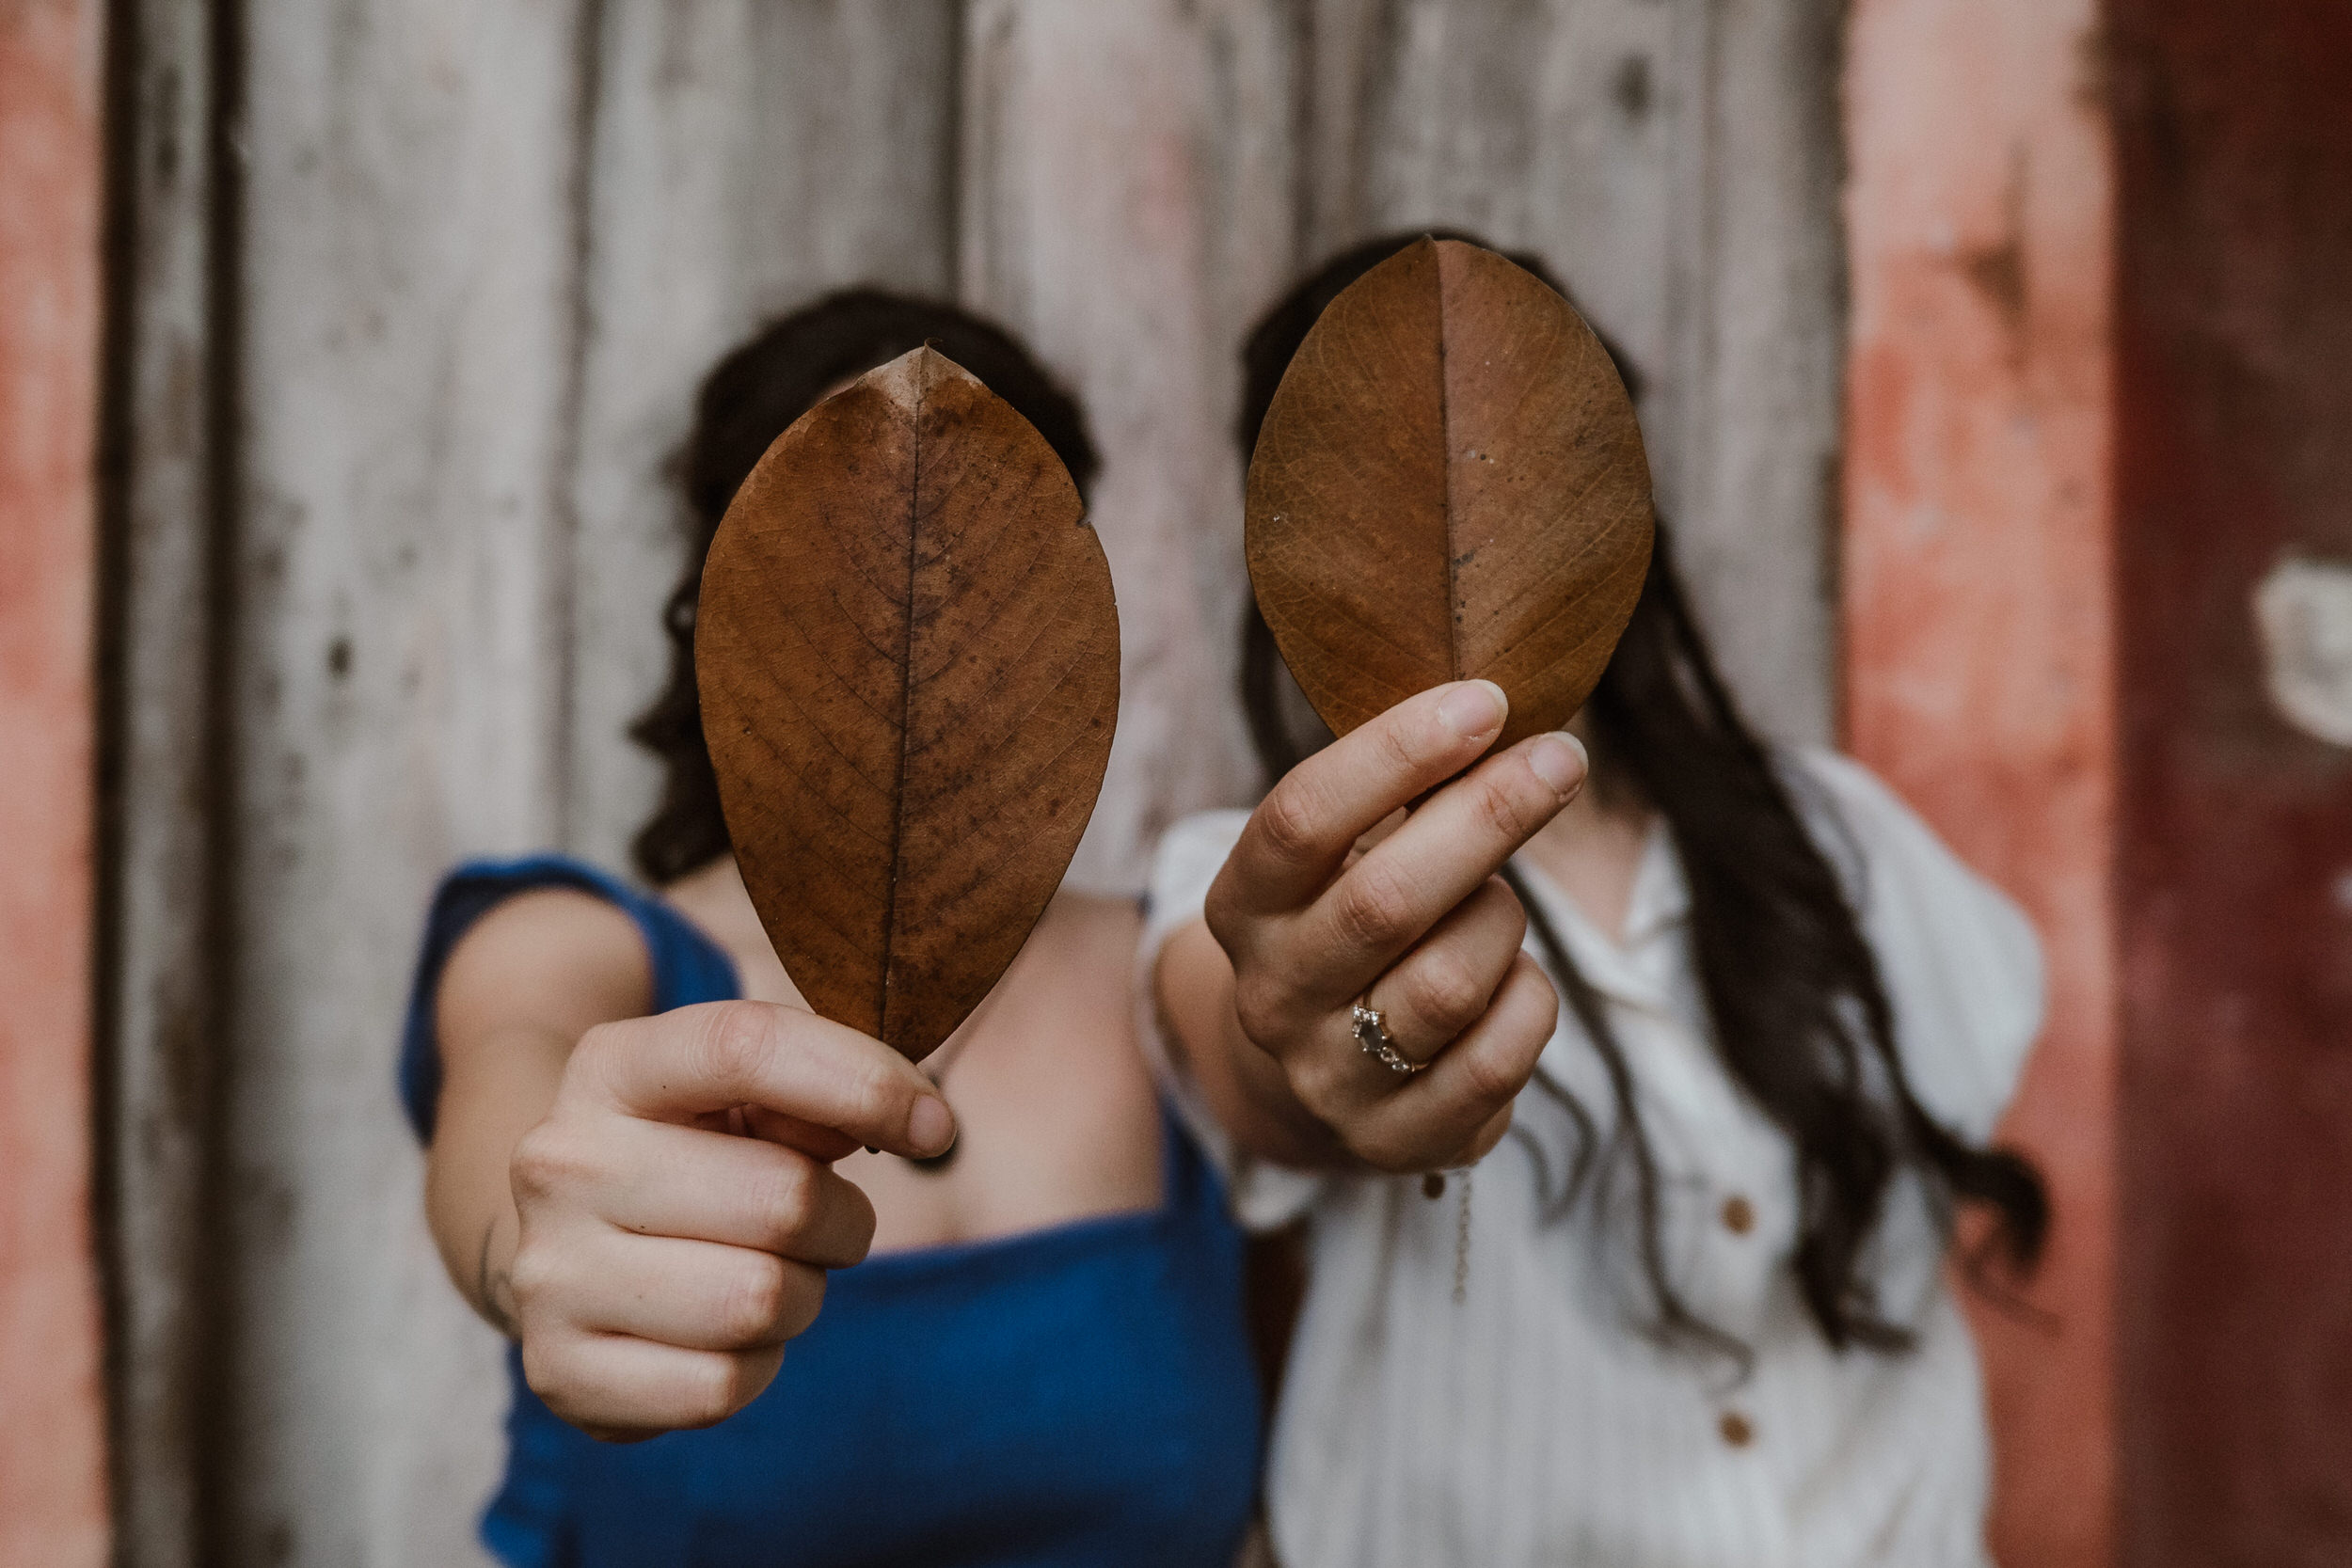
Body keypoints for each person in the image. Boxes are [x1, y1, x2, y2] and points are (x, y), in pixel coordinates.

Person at [1145, 233, 2051, 1568]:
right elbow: (1260, 1058)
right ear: (1289, 547)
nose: (1455, 514)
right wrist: (1348, 1062)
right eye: (1365, 478)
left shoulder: (1841, 843)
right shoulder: (1253, 873)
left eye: (1525, 456)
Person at [404, 291, 1263, 1568]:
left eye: (1009, 574)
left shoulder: (1163, 963)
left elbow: (1301, 1057)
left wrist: (1379, 1028)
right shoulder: (577, 948)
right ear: (719, 610)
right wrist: (533, 1259)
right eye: (836, 573)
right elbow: (514, 1097)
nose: (927, 639)